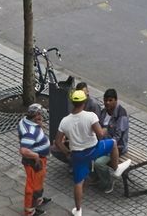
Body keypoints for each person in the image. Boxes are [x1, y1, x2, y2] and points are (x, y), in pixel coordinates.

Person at [56, 86, 123, 215]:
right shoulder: (90, 116)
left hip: (78, 155)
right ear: (85, 101)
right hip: (94, 150)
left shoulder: (65, 121)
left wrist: (67, 152)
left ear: (72, 102)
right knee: (113, 143)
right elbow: (100, 134)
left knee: (78, 182)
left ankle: (78, 210)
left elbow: (58, 142)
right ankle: (116, 169)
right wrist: (105, 130)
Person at [18, 101, 53, 216]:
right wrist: (36, 156)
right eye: (40, 114)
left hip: (38, 160)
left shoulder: (25, 121)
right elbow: (23, 150)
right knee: (33, 186)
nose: (41, 116)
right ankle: (30, 210)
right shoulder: (31, 132)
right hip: (34, 162)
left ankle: (38, 200)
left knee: (39, 180)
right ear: (35, 115)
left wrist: (39, 125)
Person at [100, 87, 133, 162]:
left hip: (117, 147)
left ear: (116, 100)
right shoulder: (103, 112)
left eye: (110, 100)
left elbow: (118, 136)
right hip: (103, 143)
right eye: (105, 100)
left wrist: (106, 145)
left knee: (98, 162)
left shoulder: (122, 114)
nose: (107, 102)